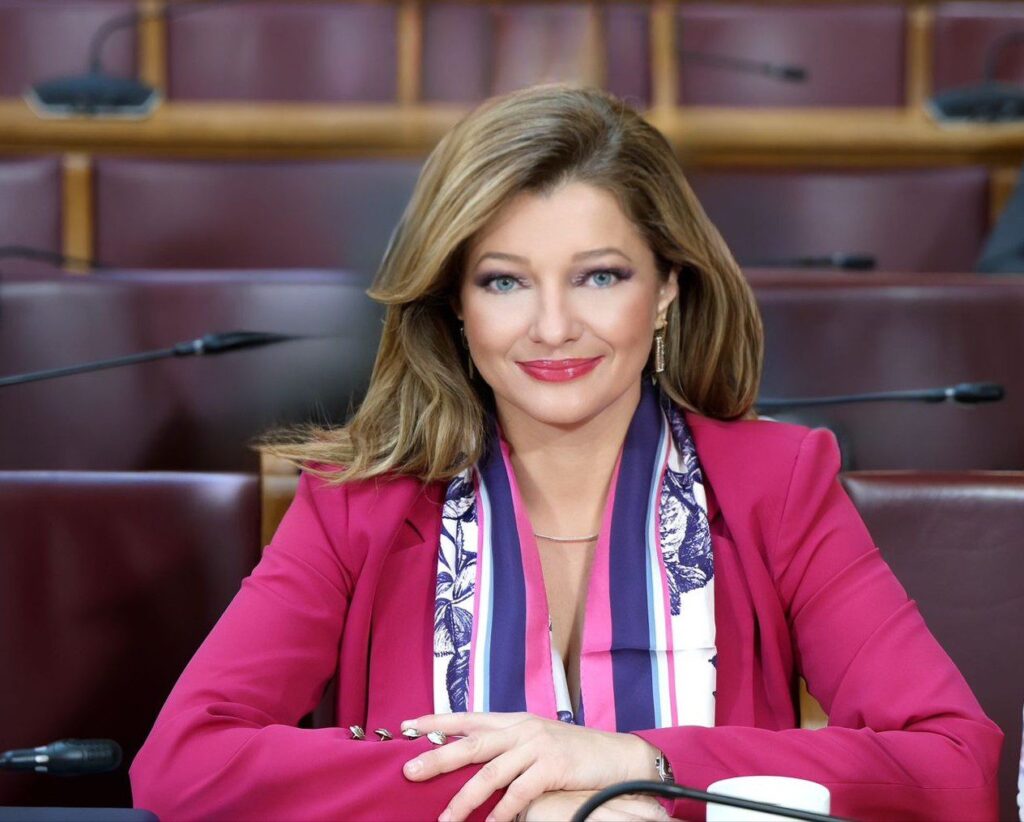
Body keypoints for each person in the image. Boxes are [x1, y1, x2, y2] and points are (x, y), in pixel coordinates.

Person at [130, 84, 1002, 821]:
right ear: (455, 303)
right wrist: (525, 795)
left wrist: (639, 764)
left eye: (600, 276)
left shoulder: (777, 483)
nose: (552, 328)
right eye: (505, 280)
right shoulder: (359, 500)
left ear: (667, 287)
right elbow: (184, 765)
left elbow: (956, 763)